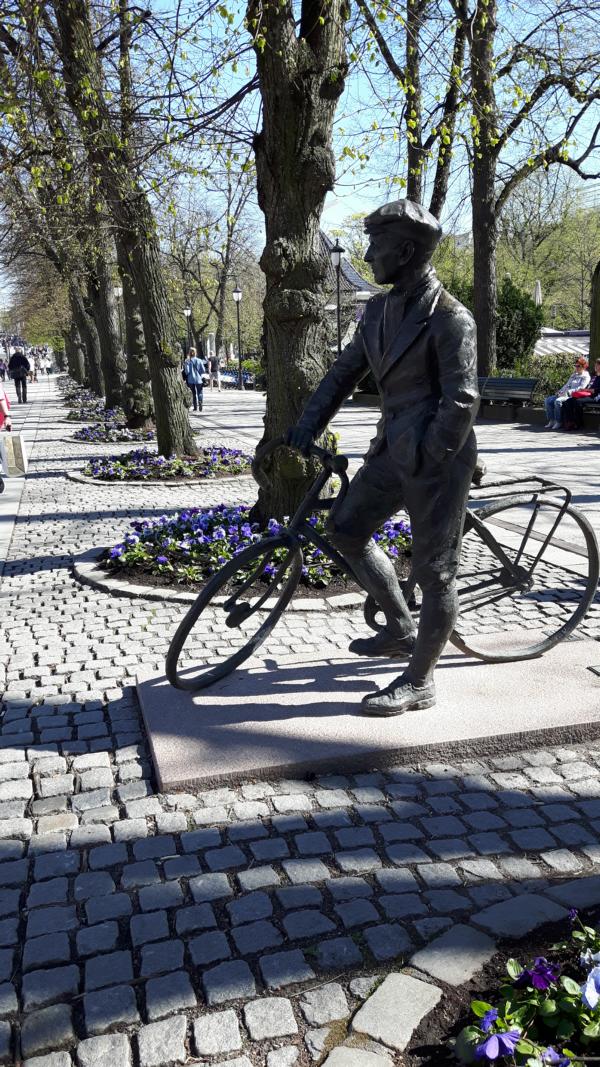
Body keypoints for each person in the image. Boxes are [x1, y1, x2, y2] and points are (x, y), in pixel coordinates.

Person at [286, 198, 479, 717]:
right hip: (393, 449)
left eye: (377, 245)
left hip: (439, 459)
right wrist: (307, 426)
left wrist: (431, 456)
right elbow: (342, 374)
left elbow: (462, 399)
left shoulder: (450, 317)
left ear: (407, 251)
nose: (369, 255)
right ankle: (399, 627)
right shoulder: (375, 312)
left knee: (436, 572)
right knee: (345, 530)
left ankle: (420, 680)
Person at [544, 357, 590, 429]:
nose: (576, 367)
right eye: (575, 365)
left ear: (583, 366)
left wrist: (568, 392)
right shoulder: (574, 375)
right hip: (563, 394)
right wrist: (560, 391)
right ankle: (551, 420)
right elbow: (566, 385)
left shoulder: (586, 376)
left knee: (558, 401)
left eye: (578, 366)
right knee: (548, 400)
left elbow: (581, 388)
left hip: (571, 396)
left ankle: (558, 421)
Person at [560, 359, 600, 430]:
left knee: (578, 402)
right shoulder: (595, 377)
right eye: (595, 365)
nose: (595, 366)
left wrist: (585, 390)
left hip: (596, 397)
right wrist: (585, 390)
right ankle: (569, 422)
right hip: (589, 395)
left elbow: (596, 390)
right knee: (567, 401)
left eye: (597, 365)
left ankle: (578, 423)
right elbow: (590, 388)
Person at [183, 347, 207, 411]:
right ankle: (200, 401)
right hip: (199, 379)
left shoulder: (187, 361)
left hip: (190, 380)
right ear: (196, 353)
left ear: (189, 353)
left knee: (193, 393)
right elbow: (203, 370)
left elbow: (187, 371)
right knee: (200, 392)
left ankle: (195, 407)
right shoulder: (199, 360)